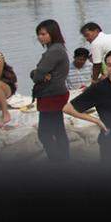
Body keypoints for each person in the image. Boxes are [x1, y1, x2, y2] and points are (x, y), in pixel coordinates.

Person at [30, 19, 70, 161]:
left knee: (45, 133)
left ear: (52, 33)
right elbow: (40, 74)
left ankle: (57, 161)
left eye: (43, 34)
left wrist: (36, 73)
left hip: (51, 95)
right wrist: (38, 73)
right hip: (56, 94)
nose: (40, 37)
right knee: (58, 129)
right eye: (39, 34)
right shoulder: (58, 48)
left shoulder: (54, 51)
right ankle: (63, 159)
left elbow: (37, 75)